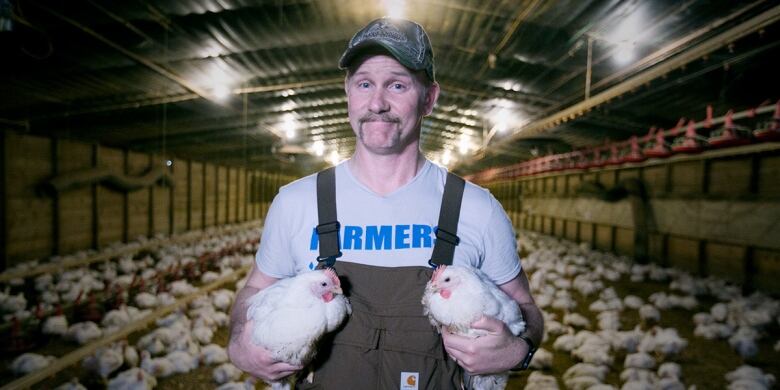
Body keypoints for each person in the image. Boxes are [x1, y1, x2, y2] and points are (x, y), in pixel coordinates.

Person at [228, 17, 543, 389]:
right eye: (364, 84)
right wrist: (238, 344)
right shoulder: (296, 202)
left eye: (397, 84)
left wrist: (518, 351)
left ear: (429, 97)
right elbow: (253, 292)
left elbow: (525, 310)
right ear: (348, 93)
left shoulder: (477, 208)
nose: (377, 103)